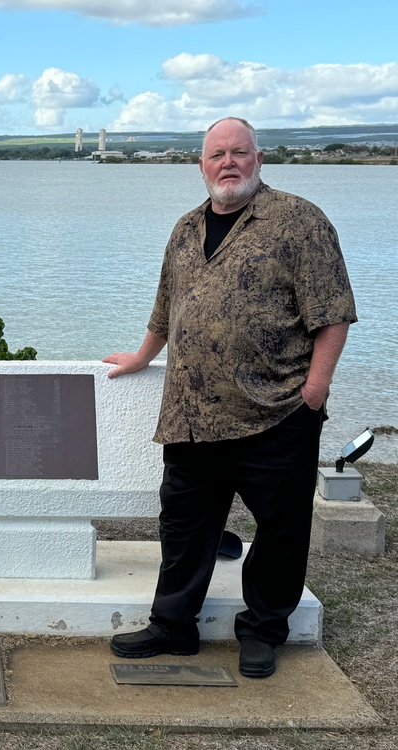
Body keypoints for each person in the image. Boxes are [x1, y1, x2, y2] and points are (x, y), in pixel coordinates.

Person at [103, 117, 356, 679]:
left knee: (282, 531)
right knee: (185, 529)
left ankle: (264, 630)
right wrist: (143, 356)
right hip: (192, 416)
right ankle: (173, 628)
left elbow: (333, 312)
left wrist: (314, 392)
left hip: (277, 410)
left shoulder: (299, 221)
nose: (228, 163)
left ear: (258, 159)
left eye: (239, 152)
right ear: (202, 166)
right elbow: (167, 306)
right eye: (217, 154)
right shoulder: (185, 229)